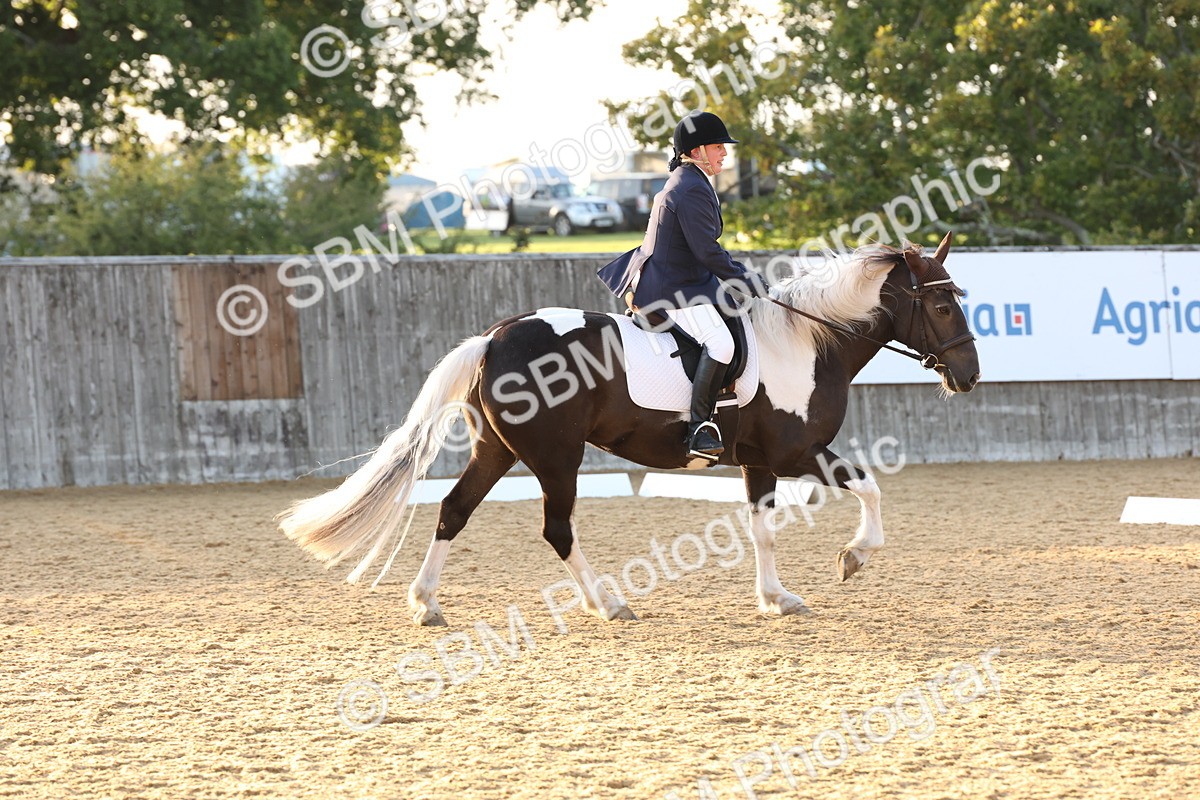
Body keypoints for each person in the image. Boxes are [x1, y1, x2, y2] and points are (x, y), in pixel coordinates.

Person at [597, 110, 769, 460]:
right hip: (672, 288)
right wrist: (746, 280)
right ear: (696, 151)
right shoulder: (690, 188)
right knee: (721, 344)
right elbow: (707, 250)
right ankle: (700, 427)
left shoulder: (690, 180)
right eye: (718, 147)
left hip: (682, 278)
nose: (725, 153)